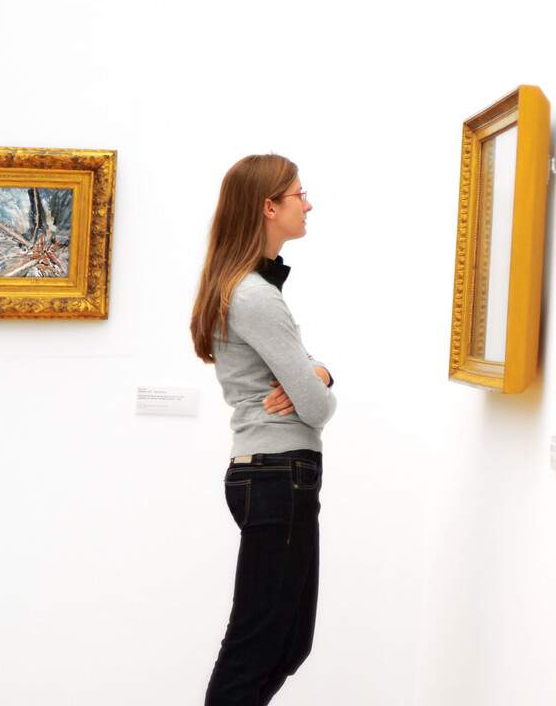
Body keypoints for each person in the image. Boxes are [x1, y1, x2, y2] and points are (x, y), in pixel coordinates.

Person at [190, 154, 337, 704]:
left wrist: (318, 373)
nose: (308, 203)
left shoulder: (253, 290)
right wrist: (317, 380)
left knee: (289, 642)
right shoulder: (254, 296)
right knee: (255, 646)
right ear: (268, 206)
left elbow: (309, 384)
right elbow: (318, 408)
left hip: (277, 476)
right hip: (278, 476)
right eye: (299, 193)